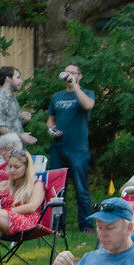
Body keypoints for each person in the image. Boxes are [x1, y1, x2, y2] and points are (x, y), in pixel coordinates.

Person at [46, 62, 96, 231]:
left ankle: (87, 225)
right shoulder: (57, 97)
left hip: (78, 150)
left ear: (79, 76)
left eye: (72, 73)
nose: (68, 75)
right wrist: (51, 129)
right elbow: (51, 118)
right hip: (58, 148)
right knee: (58, 189)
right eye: (66, 72)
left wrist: (75, 87)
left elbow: (88, 105)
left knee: (81, 188)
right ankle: (58, 226)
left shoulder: (86, 93)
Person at [0, 66, 35, 166]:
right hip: (1, 158)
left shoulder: (12, 99)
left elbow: (10, 126)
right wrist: (21, 135)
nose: (20, 81)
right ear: (8, 79)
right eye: (17, 77)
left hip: (15, 155)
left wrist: (23, 121)